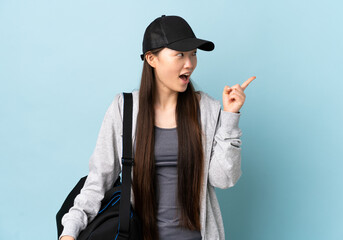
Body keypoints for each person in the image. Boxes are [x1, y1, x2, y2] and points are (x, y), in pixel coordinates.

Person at [60, 14, 255, 240]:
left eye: (193, 54)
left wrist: (230, 117)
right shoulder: (125, 110)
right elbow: (98, 182)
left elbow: (224, 179)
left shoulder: (207, 109)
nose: (189, 63)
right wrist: (70, 232)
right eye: (180, 54)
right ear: (152, 59)